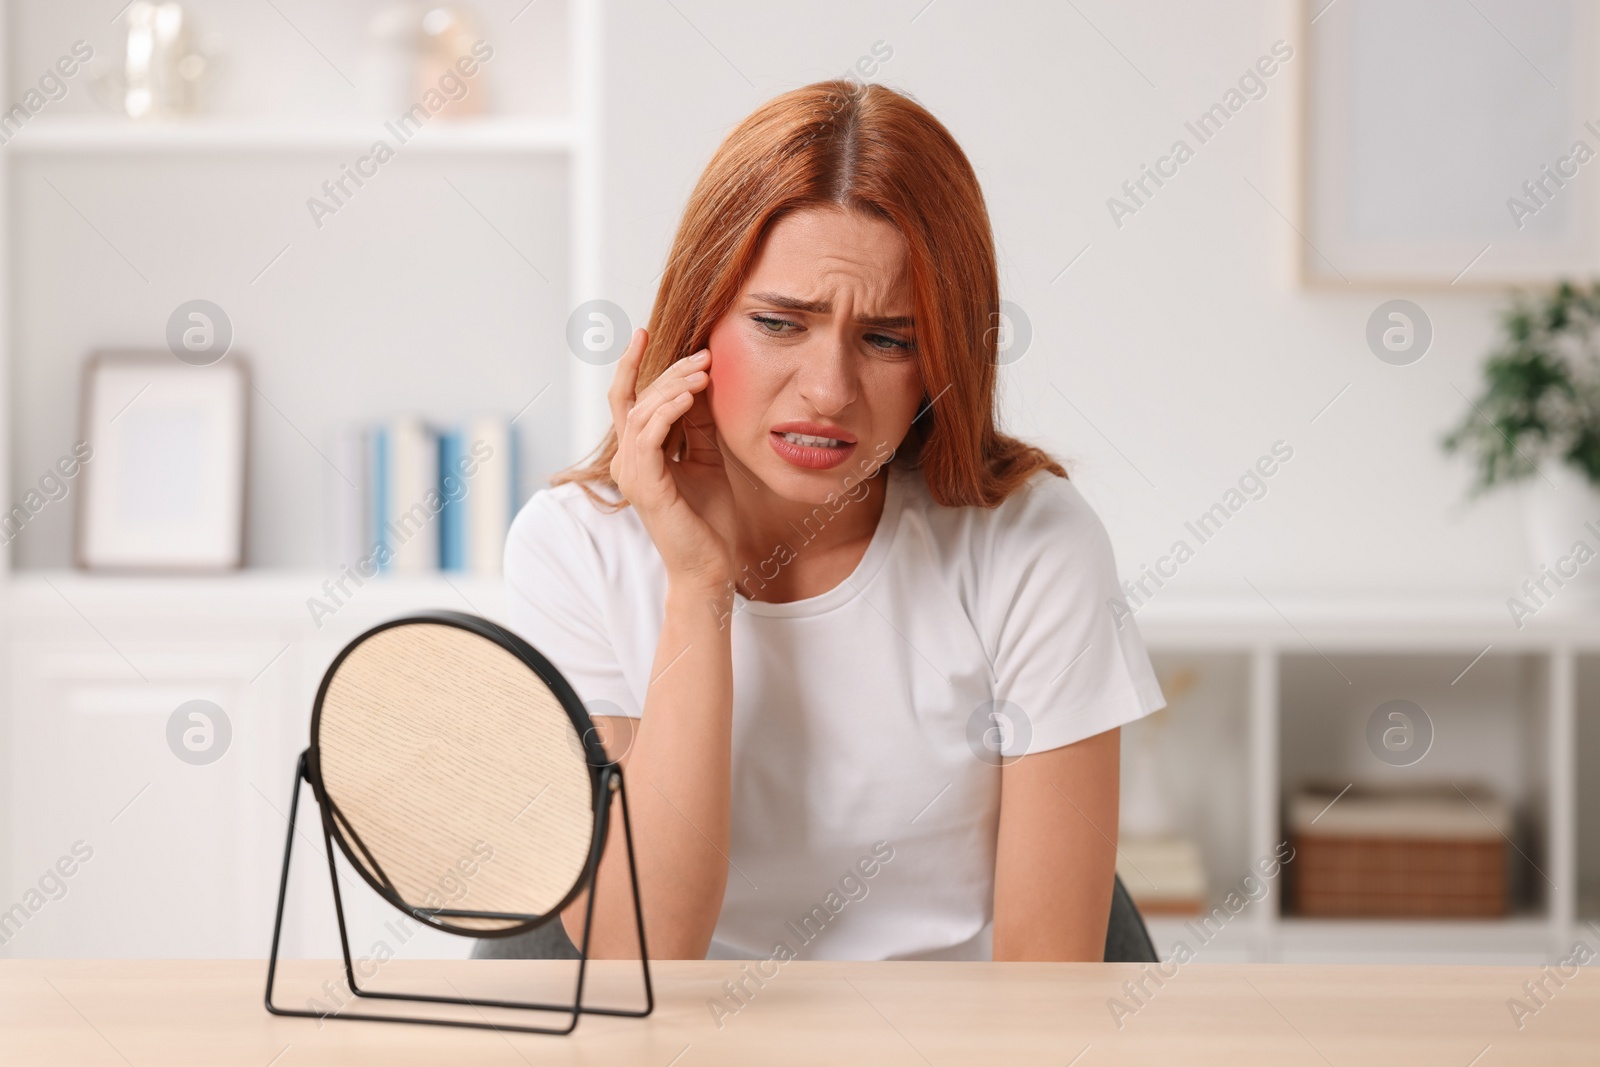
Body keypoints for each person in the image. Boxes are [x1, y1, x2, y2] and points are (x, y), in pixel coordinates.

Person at [501, 79, 1165, 963]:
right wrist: (699, 589)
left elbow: (1047, 990)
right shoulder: (573, 547)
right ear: (694, 321)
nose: (828, 392)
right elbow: (637, 959)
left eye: (889, 339)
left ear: (943, 359)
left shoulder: (1033, 542)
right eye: (780, 322)